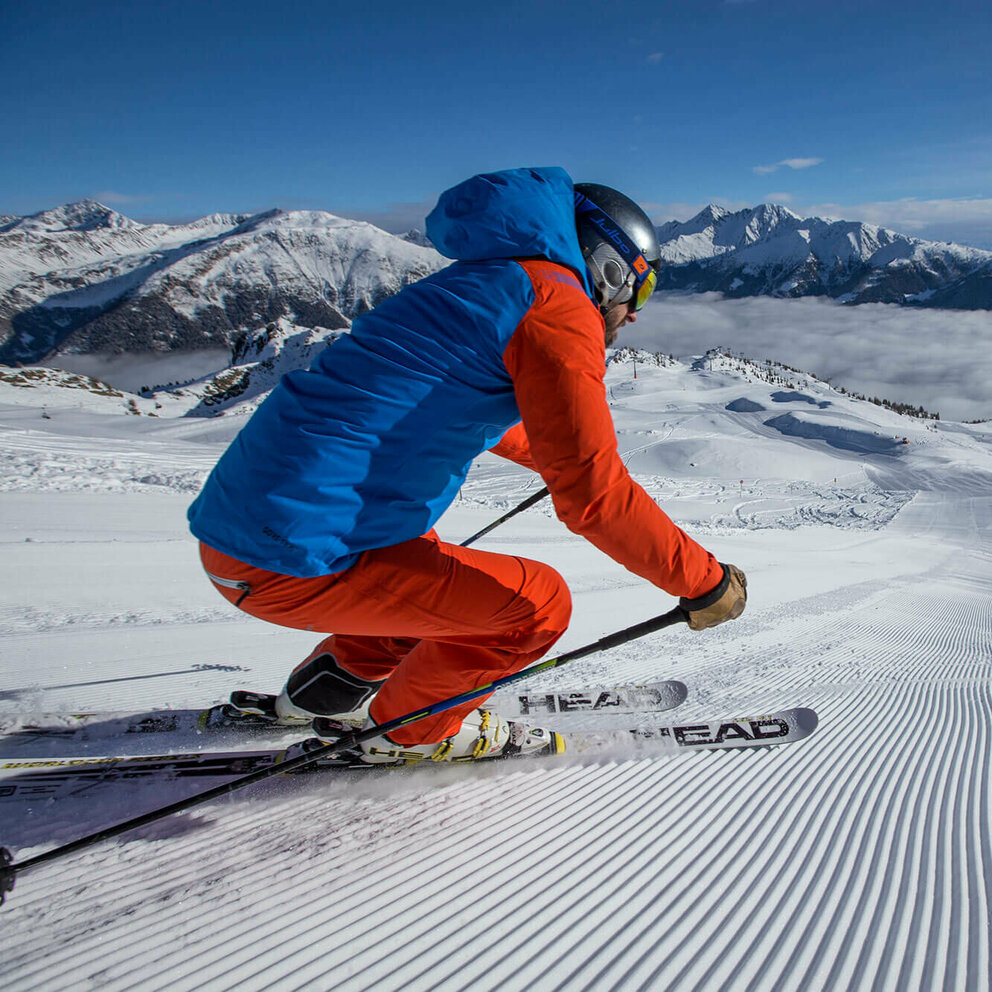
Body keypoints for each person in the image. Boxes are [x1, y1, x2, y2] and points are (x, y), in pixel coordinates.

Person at [187, 167, 746, 765]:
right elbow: (595, 499)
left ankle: (322, 695)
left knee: (438, 580)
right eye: (642, 289)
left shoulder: (484, 282)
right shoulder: (557, 304)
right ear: (609, 269)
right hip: (292, 561)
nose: (634, 313)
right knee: (536, 608)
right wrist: (704, 584)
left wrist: (555, 457)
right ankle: (409, 734)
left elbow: (447, 406)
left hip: (247, 538)